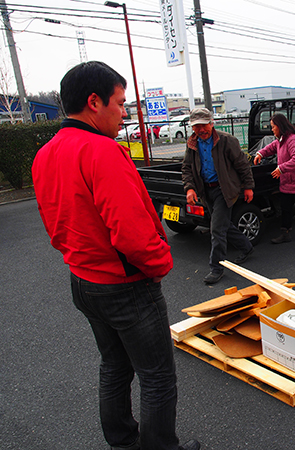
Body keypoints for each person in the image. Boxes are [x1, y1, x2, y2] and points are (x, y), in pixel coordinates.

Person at [32, 61, 199, 450]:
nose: (124, 114)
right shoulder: (102, 151)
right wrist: (161, 263)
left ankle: (123, 441)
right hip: (125, 285)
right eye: (121, 104)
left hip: (83, 279)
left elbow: (53, 223)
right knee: (157, 377)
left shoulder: (46, 154)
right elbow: (132, 233)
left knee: (114, 366)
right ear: (94, 102)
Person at [181, 108, 255, 284]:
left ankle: (217, 268)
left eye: (203, 125)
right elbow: (186, 167)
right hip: (206, 190)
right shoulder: (192, 143)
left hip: (225, 189)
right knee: (223, 225)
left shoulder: (226, 140)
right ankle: (247, 247)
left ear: (211, 123)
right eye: (196, 126)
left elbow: (242, 164)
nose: (201, 130)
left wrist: (248, 187)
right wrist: (190, 188)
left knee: (216, 229)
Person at [253, 113, 295, 243]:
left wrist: (281, 168)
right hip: (287, 181)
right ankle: (285, 233)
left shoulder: (292, 139)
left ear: (280, 126)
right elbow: (271, 147)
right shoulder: (280, 139)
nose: (272, 130)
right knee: (285, 208)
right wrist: (260, 153)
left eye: (273, 127)